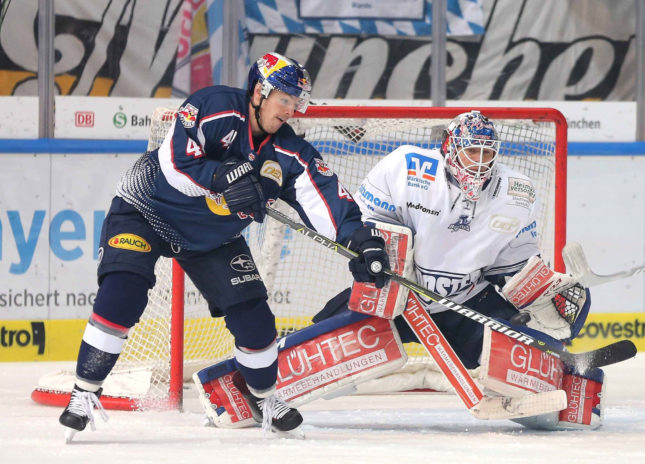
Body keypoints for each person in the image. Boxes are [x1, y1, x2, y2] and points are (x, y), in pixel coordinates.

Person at [58, 52, 390, 439]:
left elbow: (329, 202)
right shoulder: (213, 105)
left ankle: (264, 396)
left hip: (212, 237)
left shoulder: (288, 153)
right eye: (283, 99)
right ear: (258, 92)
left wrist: (362, 244)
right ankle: (83, 392)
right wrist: (222, 176)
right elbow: (175, 164)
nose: (291, 110)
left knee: (255, 321)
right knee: (122, 293)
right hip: (145, 210)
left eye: (296, 102)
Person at [313, 111, 594, 428]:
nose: (480, 161)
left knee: (522, 351)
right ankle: (257, 385)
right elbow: (361, 224)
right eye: (472, 150)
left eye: (487, 153)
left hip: (465, 301)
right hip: (398, 297)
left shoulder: (517, 193)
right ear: (450, 147)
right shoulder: (407, 167)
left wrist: (545, 295)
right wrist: (368, 249)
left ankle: (574, 383)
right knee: (319, 343)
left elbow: (512, 267)